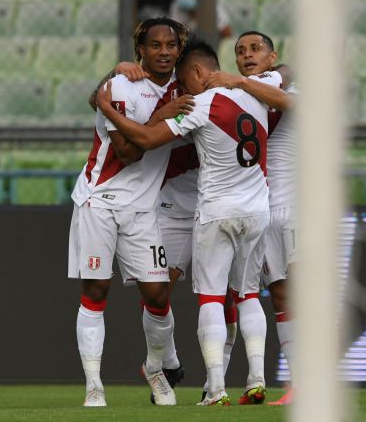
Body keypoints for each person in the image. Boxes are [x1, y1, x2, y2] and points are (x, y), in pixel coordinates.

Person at [96, 39, 283, 406]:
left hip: (214, 210)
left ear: (198, 72)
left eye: (184, 77)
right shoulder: (261, 93)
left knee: (214, 297)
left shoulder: (201, 103)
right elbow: (286, 84)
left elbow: (147, 139)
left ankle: (215, 387)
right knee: (241, 296)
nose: (181, 86)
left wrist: (110, 108)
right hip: (251, 210)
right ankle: (250, 378)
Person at [68, 17, 192, 407]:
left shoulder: (185, 91)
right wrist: (161, 114)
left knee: (157, 295)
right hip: (98, 200)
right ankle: (93, 384)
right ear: (140, 50)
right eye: (155, 45)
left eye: (171, 45)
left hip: (143, 209)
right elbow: (127, 152)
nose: (164, 52)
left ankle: (155, 369)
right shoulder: (122, 86)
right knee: (96, 290)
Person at [201, 31, 295, 405]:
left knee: (226, 295)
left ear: (271, 58)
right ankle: (243, 380)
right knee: (253, 295)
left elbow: (290, 95)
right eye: (240, 52)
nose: (246, 55)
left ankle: (220, 387)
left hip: (283, 206)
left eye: (255, 49)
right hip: (259, 211)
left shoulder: (250, 88)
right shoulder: (248, 90)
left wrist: (238, 80)